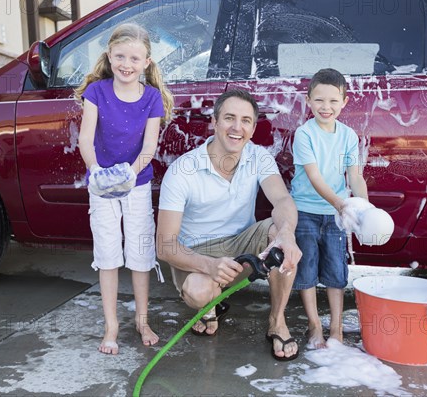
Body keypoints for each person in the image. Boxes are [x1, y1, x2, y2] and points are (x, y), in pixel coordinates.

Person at [156, 89, 302, 361]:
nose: (237, 128)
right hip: (198, 253)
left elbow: (282, 199)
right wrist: (209, 265)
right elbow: (164, 246)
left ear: (253, 127)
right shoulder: (182, 171)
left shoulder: (258, 157)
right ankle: (210, 308)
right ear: (214, 121)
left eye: (246, 120)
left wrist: (287, 235)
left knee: (280, 234)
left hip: (241, 246)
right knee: (199, 291)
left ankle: (277, 321)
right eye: (229, 118)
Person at [76, 24, 173, 355]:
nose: (126, 64)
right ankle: (112, 324)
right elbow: (85, 138)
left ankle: (142, 319)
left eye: (134, 58)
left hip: (136, 185)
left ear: (146, 61)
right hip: (102, 185)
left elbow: (149, 146)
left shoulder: (151, 98)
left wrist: (129, 174)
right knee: (107, 254)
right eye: (120, 56)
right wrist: (97, 172)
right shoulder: (97, 92)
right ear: (109, 56)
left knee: (140, 253)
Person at [290, 68, 368, 349]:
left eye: (334, 101)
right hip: (306, 212)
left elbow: (355, 177)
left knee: (337, 272)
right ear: (308, 101)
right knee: (306, 270)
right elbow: (314, 177)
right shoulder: (304, 134)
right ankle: (314, 326)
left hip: (336, 215)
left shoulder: (348, 136)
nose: (326, 107)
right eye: (320, 100)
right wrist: (340, 204)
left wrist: (365, 211)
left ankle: (336, 328)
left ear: (344, 102)